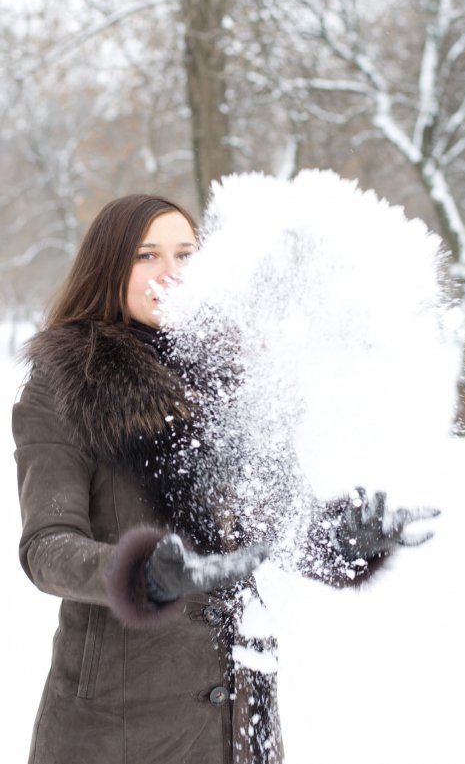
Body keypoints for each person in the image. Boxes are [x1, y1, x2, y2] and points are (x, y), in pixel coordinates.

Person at [13, 193, 439, 764]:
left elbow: (275, 521)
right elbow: (46, 547)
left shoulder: (233, 378)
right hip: (121, 728)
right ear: (109, 267)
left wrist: (341, 538)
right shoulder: (67, 383)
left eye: (187, 254)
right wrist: (139, 572)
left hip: (242, 714)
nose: (172, 272)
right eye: (147, 256)